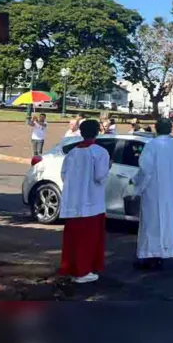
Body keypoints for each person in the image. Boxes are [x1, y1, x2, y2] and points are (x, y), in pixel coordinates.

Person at [58, 119, 110, 283]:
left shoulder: (72, 153)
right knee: (88, 240)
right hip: (91, 203)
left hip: (74, 201)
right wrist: (109, 167)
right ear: (97, 132)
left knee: (73, 239)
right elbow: (100, 176)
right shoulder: (100, 152)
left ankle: (72, 268)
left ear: (81, 132)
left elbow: (64, 175)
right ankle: (83, 271)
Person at [132, 118, 173, 270]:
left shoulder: (152, 145)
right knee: (165, 223)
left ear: (156, 129)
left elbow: (145, 170)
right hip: (169, 191)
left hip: (153, 191)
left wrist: (136, 186)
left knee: (150, 224)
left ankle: (148, 256)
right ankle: (162, 253)